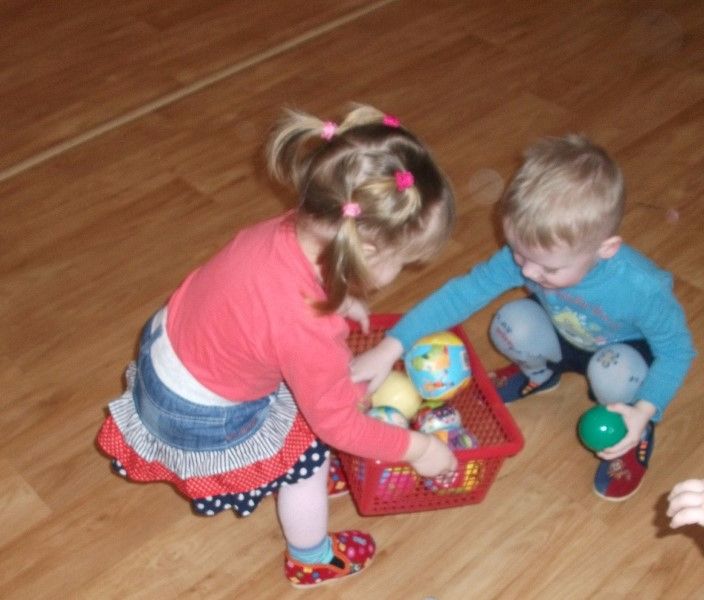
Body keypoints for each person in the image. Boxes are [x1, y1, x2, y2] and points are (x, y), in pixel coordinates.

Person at [96, 104, 457, 587]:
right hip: (198, 414)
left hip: (170, 353)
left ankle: (283, 475)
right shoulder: (307, 324)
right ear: (365, 251)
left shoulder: (289, 227)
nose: (399, 273)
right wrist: (418, 449)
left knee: (310, 407)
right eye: (402, 262)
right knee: (309, 455)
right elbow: (339, 425)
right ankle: (311, 557)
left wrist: (340, 294)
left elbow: (273, 298)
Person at [351, 134, 695, 502]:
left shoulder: (641, 288)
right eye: (518, 254)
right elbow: (462, 294)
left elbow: (677, 351)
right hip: (565, 333)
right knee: (510, 323)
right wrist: (391, 346)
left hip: (620, 353)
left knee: (613, 374)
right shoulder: (537, 257)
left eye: (548, 268)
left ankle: (631, 430)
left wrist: (644, 410)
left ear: (606, 249)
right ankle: (541, 375)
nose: (528, 272)